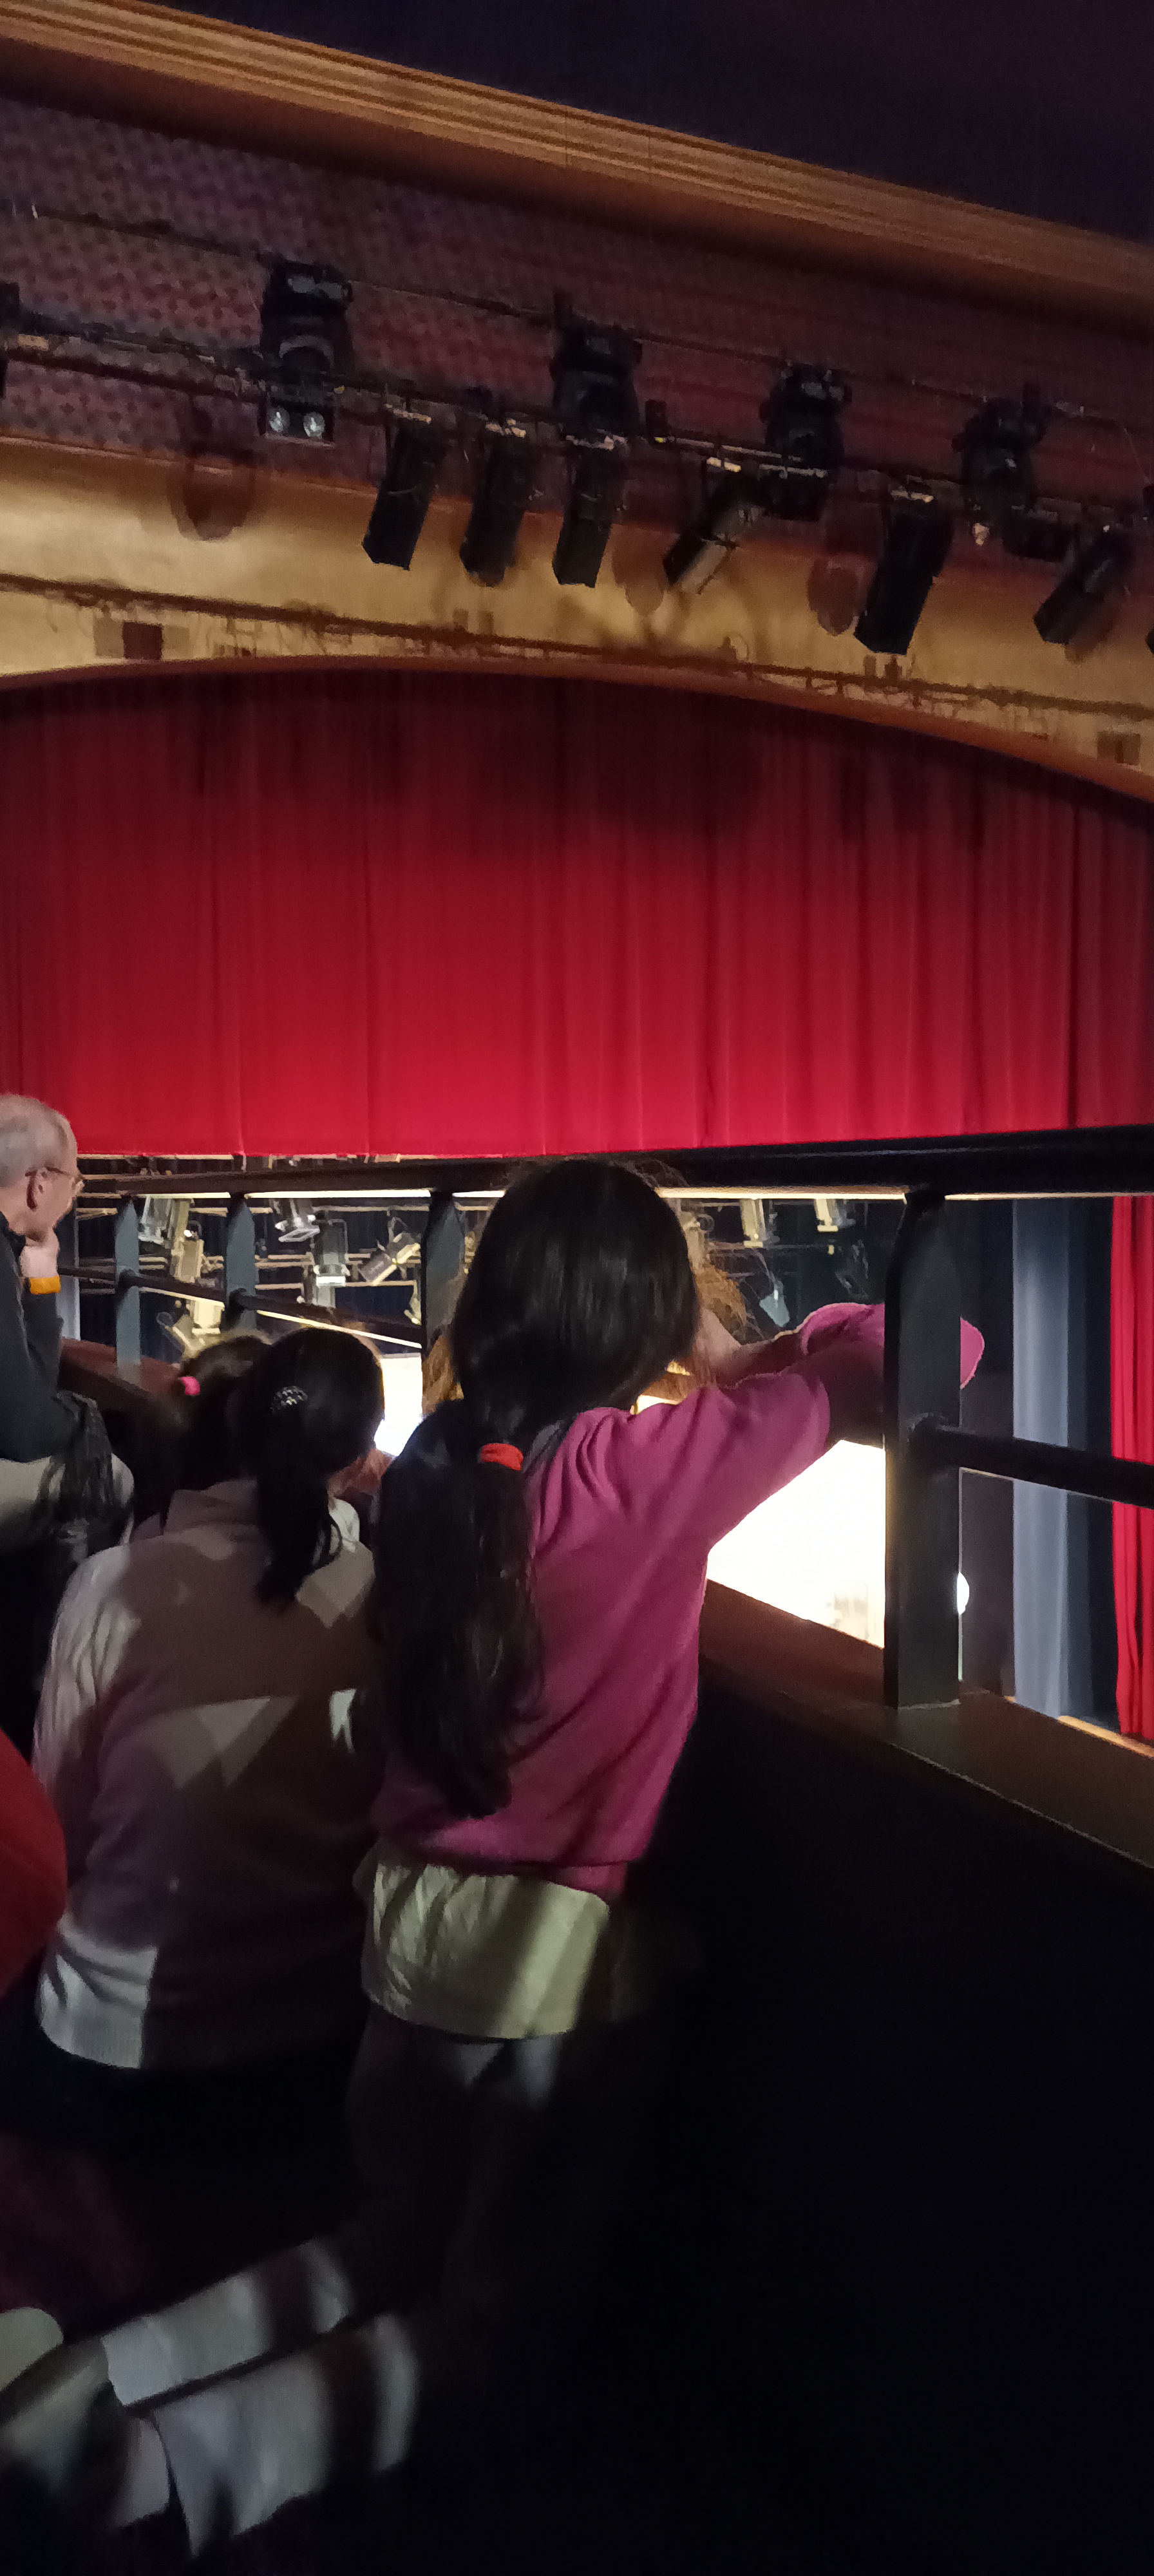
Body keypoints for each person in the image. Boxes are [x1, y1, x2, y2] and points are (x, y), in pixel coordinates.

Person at [0, 1159, 981, 2553]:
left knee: (378, 2240)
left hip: (402, 1938)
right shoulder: (649, 1471)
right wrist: (722, 1357)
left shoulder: (438, 1469)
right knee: (487, 2328)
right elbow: (935, 1344)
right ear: (643, 1320)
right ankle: (152, 2473)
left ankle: (86, 2382)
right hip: (545, 1977)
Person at [6, 1327, 385, 2161]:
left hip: (110, 2040)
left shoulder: (113, 1584)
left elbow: (57, 1832)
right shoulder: (383, 1598)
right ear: (362, 1465)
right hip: (315, 2033)